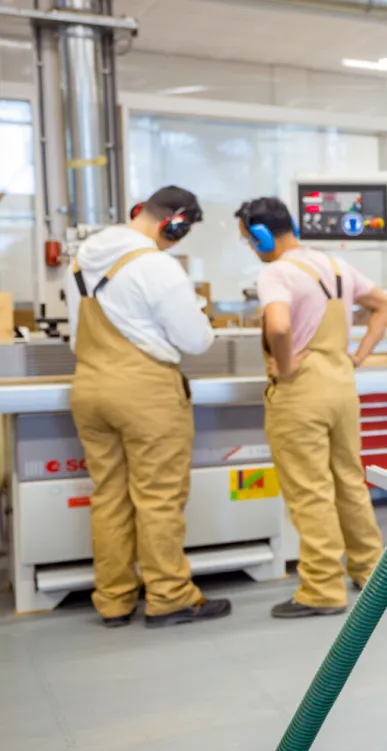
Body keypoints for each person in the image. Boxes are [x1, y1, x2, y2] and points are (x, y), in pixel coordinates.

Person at [66, 185, 230, 628]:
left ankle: (114, 599)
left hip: (89, 385)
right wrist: (201, 317)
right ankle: (169, 596)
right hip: (144, 392)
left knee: (109, 497)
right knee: (158, 497)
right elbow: (194, 340)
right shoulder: (157, 265)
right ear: (173, 223)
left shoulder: (83, 256)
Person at [236, 196, 387, 618]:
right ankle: (370, 570)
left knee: (310, 491)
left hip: (301, 393)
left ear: (261, 235)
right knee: (348, 479)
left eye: (248, 240)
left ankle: (322, 588)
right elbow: (385, 305)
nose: (251, 247)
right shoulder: (336, 266)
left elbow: (279, 325)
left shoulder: (276, 272)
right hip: (342, 386)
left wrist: (285, 367)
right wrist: (359, 355)